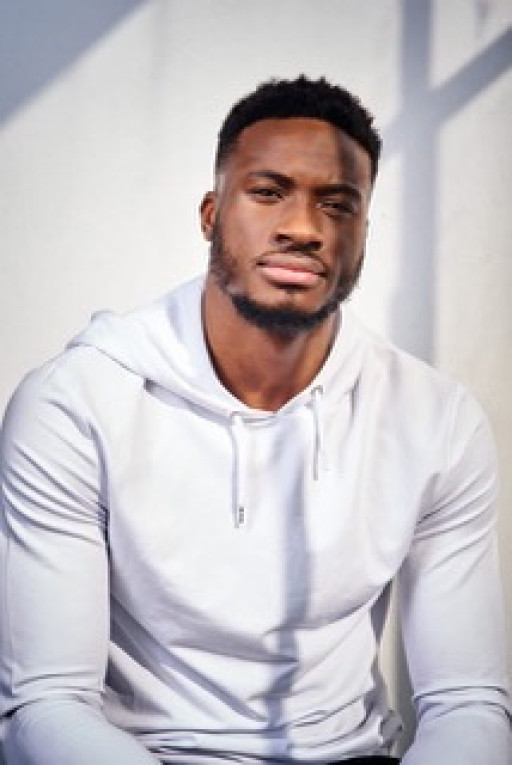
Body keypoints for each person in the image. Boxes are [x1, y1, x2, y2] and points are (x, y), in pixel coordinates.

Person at [0, 76, 510, 765]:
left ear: (363, 232)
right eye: (268, 192)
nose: (303, 227)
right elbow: (46, 705)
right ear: (211, 214)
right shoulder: (77, 402)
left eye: (337, 204)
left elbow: (467, 702)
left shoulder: (435, 420)